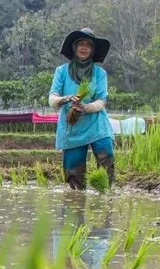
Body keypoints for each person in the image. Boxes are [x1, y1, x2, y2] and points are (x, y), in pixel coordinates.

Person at [48, 28, 115, 190]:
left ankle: (106, 193)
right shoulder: (61, 71)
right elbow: (52, 99)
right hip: (72, 126)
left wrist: (86, 107)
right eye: (80, 44)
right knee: (74, 172)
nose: (84, 48)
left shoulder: (99, 73)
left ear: (93, 50)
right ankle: (76, 202)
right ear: (74, 47)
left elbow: (101, 101)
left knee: (106, 156)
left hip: (96, 123)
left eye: (88, 45)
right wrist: (65, 98)